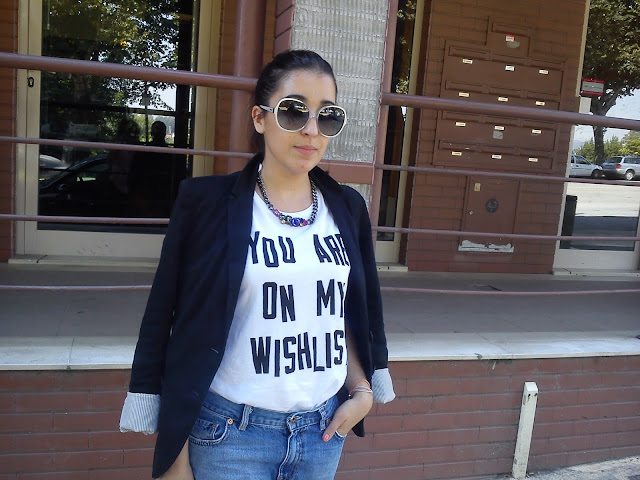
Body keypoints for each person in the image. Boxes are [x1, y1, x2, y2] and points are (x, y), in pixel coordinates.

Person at [119, 49, 395, 480]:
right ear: (259, 118)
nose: (311, 130)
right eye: (294, 111)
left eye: (326, 116)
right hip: (230, 436)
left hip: (322, 434)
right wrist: (174, 459)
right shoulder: (206, 204)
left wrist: (361, 389)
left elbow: (344, 315)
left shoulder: (347, 208)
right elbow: (167, 322)